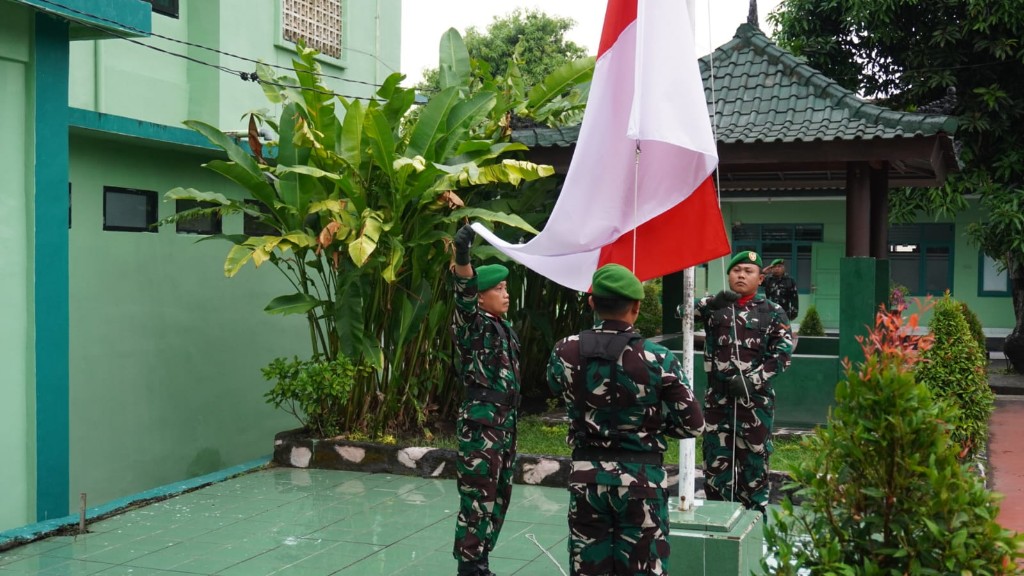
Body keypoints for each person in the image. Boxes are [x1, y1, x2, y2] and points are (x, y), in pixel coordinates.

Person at [548, 264, 705, 575]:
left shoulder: (564, 350)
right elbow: (693, 423)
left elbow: (557, 389)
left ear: (592, 303)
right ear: (636, 307)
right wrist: (653, 422)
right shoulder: (657, 357)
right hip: (641, 481)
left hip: (587, 478)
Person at [684, 250, 793, 515]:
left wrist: (752, 380)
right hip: (718, 404)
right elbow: (682, 311)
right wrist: (711, 302)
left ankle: (753, 531)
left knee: (754, 471)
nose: (741, 275)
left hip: (754, 405)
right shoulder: (716, 308)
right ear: (729, 274)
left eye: (748, 271)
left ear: (760, 279)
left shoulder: (773, 312)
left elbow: (783, 354)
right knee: (715, 471)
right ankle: (717, 531)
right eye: (736, 270)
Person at [451, 223, 521, 576]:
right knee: (478, 498)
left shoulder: (503, 328)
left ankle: (481, 560)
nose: (505, 294)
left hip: (504, 426)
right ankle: (470, 565)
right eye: (498, 288)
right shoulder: (472, 323)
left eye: (506, 287)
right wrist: (462, 256)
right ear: (480, 296)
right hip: (481, 427)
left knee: (498, 499)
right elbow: (462, 288)